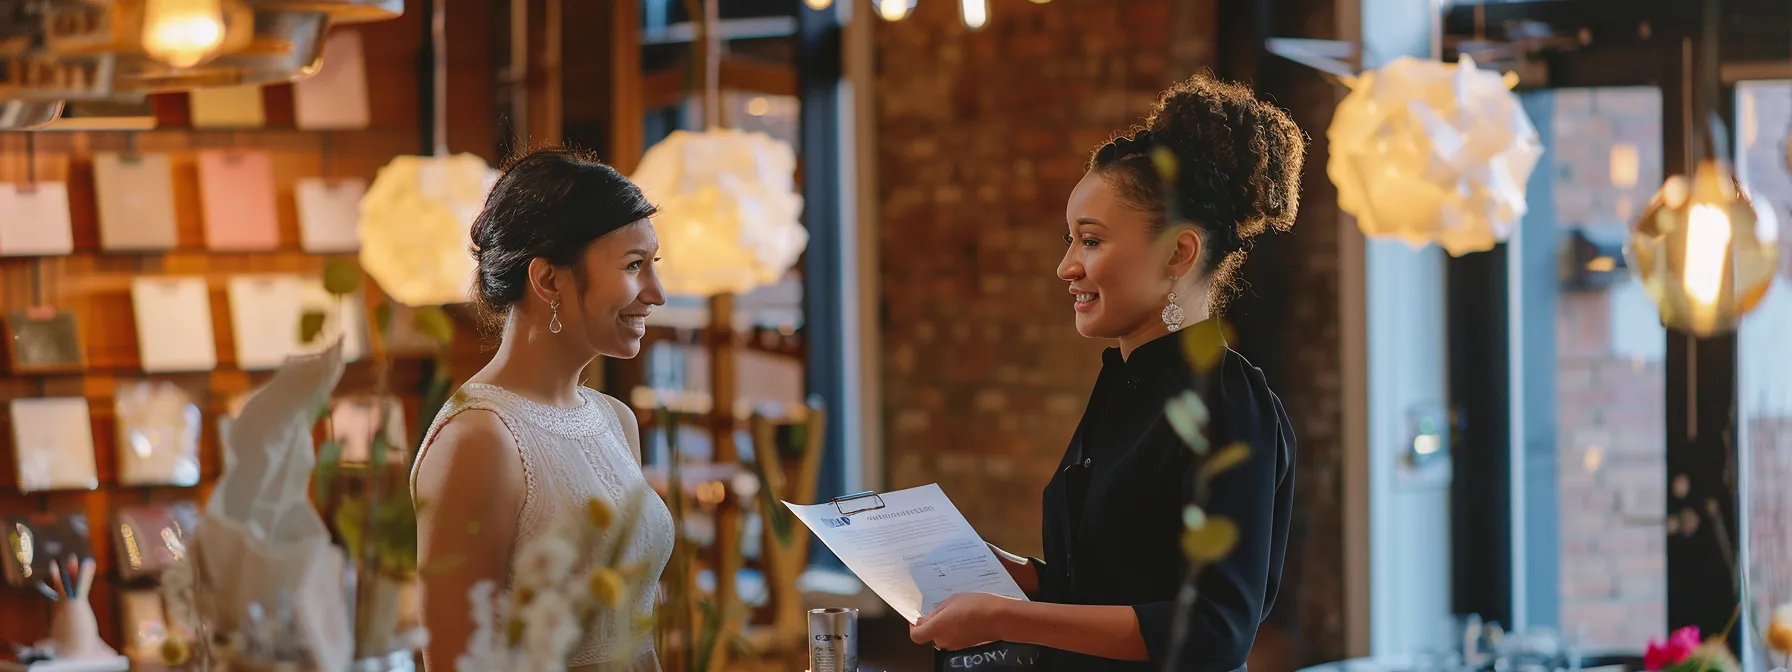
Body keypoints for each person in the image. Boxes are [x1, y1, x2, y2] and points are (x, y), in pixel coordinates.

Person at [908, 75, 1302, 671]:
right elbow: (1111, 584)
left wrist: (1005, 615)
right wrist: (1018, 576)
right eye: (1069, 240)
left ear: (1178, 253)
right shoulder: (1122, 384)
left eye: (1089, 241)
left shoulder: (1229, 403)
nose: (1066, 266)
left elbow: (1214, 630)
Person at [410, 148, 676, 672]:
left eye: (653, 265)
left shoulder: (615, 421)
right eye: (632, 266)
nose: (657, 294)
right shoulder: (480, 440)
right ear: (549, 280)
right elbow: (455, 661)